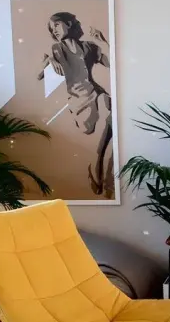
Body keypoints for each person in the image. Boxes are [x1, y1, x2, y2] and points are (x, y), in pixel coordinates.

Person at [37, 12, 114, 197]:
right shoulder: (57, 49)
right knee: (98, 127)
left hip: (96, 92)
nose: (54, 30)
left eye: (56, 25)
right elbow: (39, 76)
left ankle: (97, 163)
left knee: (107, 104)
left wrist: (103, 41)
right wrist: (49, 61)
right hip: (78, 100)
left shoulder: (89, 47)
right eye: (51, 29)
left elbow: (113, 63)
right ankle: (97, 163)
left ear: (69, 23)